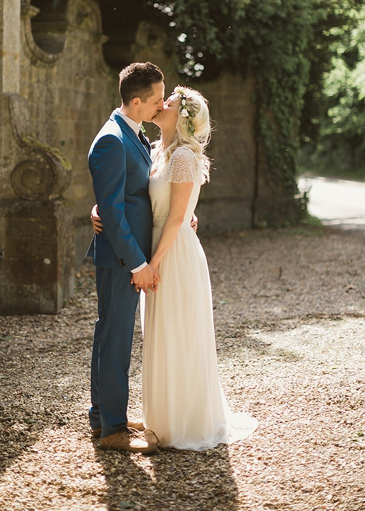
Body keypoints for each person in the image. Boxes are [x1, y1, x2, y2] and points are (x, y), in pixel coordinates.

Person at [93, 85, 258, 450]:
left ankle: (185, 420)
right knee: (160, 334)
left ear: (180, 115)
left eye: (167, 102)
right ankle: (160, 416)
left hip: (173, 255)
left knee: (179, 333)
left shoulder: (184, 156)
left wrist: (151, 263)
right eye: (159, 99)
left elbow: (177, 217)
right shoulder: (155, 151)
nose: (160, 104)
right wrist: (100, 209)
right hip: (156, 250)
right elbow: (132, 194)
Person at [87, 62, 165, 454]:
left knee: (109, 334)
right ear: (135, 101)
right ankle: (113, 430)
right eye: (156, 100)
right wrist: (138, 264)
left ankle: (103, 416)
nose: (161, 105)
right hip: (122, 257)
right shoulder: (112, 140)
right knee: (115, 338)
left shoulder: (132, 133)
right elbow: (113, 212)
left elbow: (124, 194)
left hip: (125, 253)